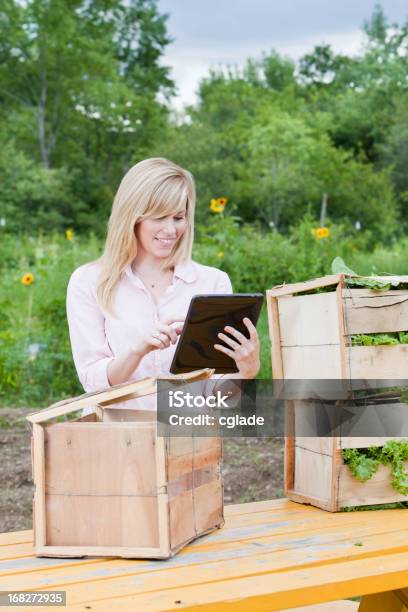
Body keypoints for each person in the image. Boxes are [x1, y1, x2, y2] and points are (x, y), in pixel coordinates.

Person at [66, 158, 260, 409]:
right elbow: (92, 382)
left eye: (178, 217)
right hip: (116, 437)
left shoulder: (213, 282)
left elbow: (218, 396)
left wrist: (246, 371)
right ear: (131, 216)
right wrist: (137, 350)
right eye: (159, 217)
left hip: (187, 437)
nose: (170, 230)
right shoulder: (89, 281)